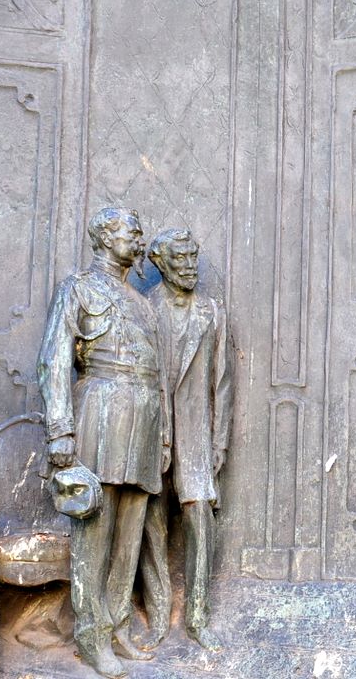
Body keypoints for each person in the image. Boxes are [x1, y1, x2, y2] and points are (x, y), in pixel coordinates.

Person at [38, 207, 169, 678]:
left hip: (144, 415)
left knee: (130, 529)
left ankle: (116, 626)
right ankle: (91, 636)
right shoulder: (78, 288)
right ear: (104, 238)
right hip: (99, 407)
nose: (138, 240)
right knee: (96, 527)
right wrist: (60, 431)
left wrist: (166, 434)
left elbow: (161, 377)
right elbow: (53, 361)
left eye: (139, 233)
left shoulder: (142, 300)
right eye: (130, 233)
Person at [137, 228, 234, 652]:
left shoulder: (211, 312)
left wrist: (220, 441)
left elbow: (223, 382)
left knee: (199, 517)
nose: (190, 266)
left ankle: (197, 615)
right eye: (181, 260)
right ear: (161, 264)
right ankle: (158, 614)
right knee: (151, 524)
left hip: (196, 431)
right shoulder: (142, 309)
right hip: (151, 429)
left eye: (194, 258)